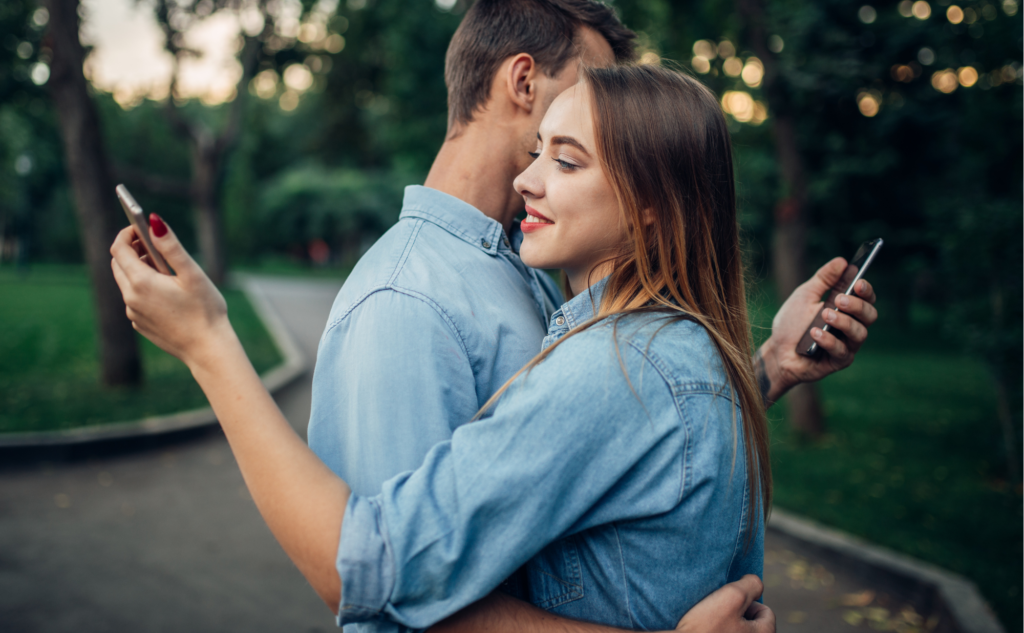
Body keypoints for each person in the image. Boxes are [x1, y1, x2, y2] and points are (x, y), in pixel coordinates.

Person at [110, 64, 865, 633]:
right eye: (538, 151)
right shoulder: (686, 352)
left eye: (566, 162)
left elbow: (374, 565)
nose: (527, 179)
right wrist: (764, 367)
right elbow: (652, 461)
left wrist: (208, 343)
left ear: (651, 209)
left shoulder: (621, 366)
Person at [305, 0, 876, 630]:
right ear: (524, 82)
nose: (611, 107)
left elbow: (619, 429)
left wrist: (769, 366)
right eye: (596, 82)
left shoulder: (541, 262)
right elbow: (383, 594)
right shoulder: (407, 301)